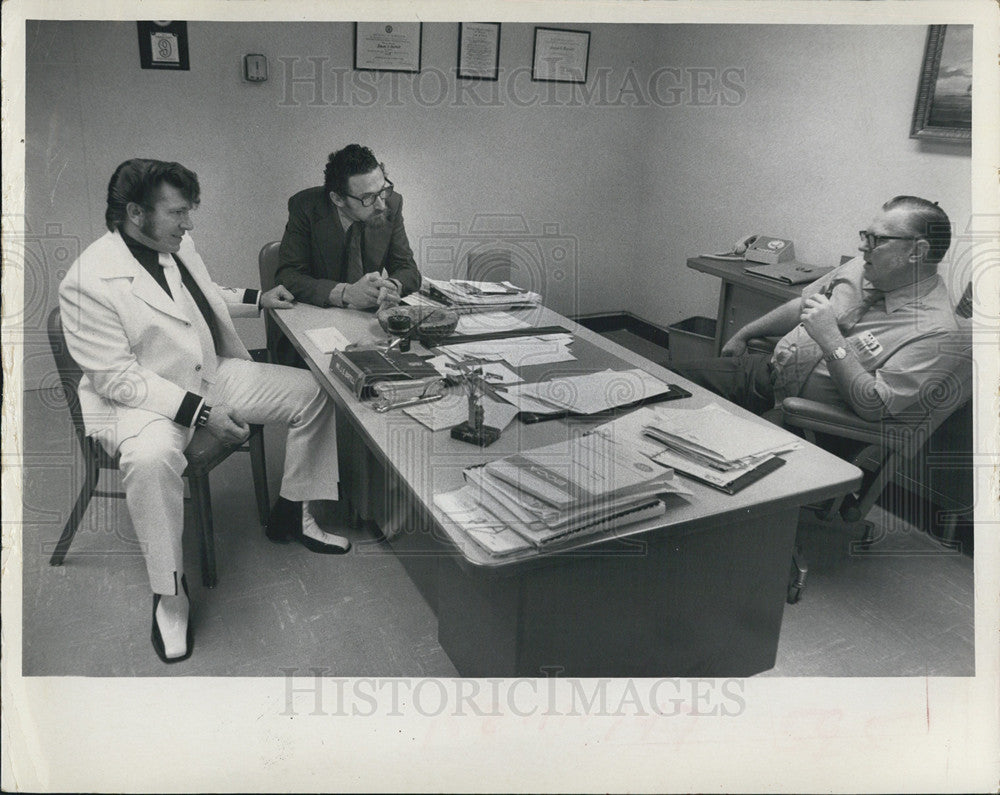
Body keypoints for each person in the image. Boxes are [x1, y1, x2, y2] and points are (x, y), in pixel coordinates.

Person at [58, 159, 350, 664]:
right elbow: (117, 378)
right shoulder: (87, 280)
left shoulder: (174, 243)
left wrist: (259, 299)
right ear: (134, 213)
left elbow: (199, 297)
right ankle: (169, 597)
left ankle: (294, 513)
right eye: (178, 212)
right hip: (139, 402)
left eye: (190, 211)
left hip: (207, 373)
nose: (189, 223)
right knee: (149, 462)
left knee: (316, 392)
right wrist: (201, 412)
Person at [672, 196, 962, 422]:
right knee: (660, 385)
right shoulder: (864, 266)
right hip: (767, 374)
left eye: (876, 240)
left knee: (699, 446)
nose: (862, 247)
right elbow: (803, 305)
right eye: (865, 235)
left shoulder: (936, 332)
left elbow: (873, 406)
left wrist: (831, 340)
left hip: (809, 418)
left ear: (917, 252)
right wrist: (744, 334)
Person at [272, 144, 422, 366]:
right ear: (338, 199)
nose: (381, 204)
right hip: (315, 327)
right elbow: (288, 276)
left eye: (383, 190)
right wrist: (346, 293)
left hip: (369, 326)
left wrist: (391, 285)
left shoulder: (391, 203)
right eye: (368, 198)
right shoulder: (306, 206)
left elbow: (408, 270)